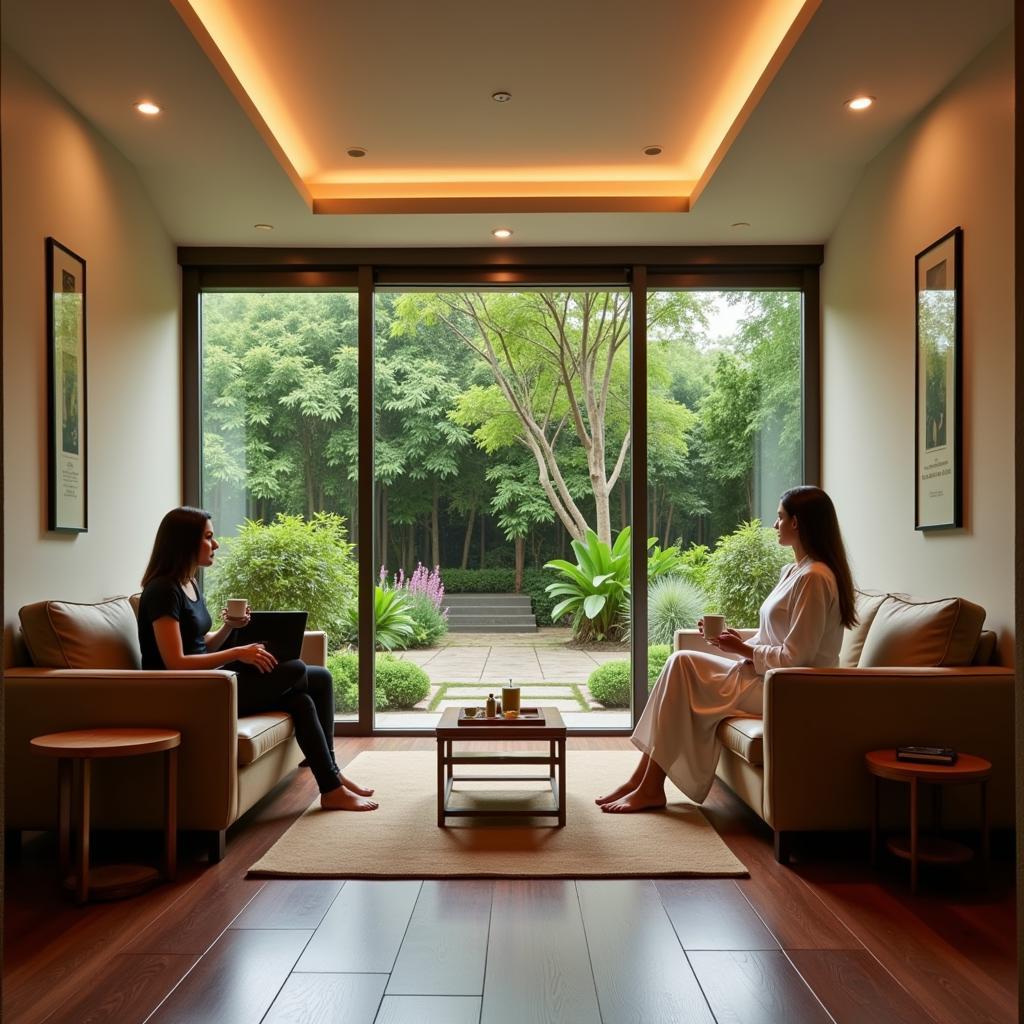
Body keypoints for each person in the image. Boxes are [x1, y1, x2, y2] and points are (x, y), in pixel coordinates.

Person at [597, 485, 856, 813]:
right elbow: (774, 638)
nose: (775, 525)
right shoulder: (793, 571)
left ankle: (649, 786)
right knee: (680, 663)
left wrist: (743, 651)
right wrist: (735, 644)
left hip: (791, 689)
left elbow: (797, 657)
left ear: (798, 523)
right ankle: (642, 781)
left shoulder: (815, 578)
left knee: (683, 669)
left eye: (780, 518)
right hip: (765, 676)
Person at [138, 506, 377, 811]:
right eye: (209, 537)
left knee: (314, 685)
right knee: (296, 670)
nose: (216, 544)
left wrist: (230, 628)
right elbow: (176, 663)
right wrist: (239, 652)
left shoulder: (190, 583)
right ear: (184, 542)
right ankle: (332, 778)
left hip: (211, 682)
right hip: (189, 695)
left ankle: (332, 781)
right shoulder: (161, 591)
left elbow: (202, 646)